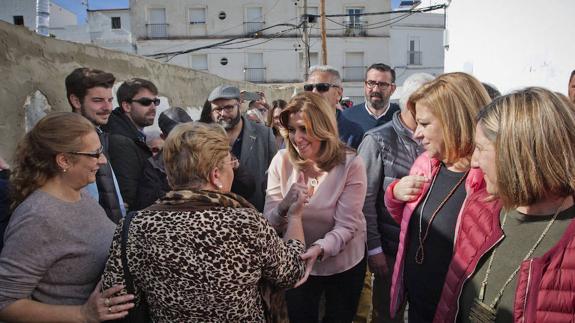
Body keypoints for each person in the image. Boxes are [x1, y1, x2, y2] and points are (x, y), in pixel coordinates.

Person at [102, 122, 307, 322]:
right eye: (229, 163)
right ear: (215, 175)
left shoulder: (135, 227)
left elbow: (116, 299)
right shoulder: (246, 223)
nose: (233, 171)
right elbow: (291, 273)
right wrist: (295, 217)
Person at [431, 87, 575, 322]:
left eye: (480, 148)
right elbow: (449, 301)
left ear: (517, 153)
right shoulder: (480, 208)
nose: (474, 162)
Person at [0, 112, 133, 322]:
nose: (103, 160)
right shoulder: (38, 217)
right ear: (64, 160)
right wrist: (81, 314)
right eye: (95, 154)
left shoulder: (82, 196)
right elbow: (5, 303)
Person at [383, 72, 495, 322]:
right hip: (418, 304)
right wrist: (394, 196)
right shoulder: (426, 164)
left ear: (452, 120)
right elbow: (416, 225)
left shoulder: (489, 180)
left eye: (424, 124)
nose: (416, 134)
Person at [264, 91, 368, 322]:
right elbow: (268, 223)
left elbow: (347, 225)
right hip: (297, 262)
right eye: (291, 130)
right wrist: (284, 206)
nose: (296, 138)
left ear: (324, 127)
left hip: (343, 263)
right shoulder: (281, 161)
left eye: (304, 129)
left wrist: (319, 249)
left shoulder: (350, 163)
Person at [358, 72, 434, 323]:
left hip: (426, 250)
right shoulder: (377, 139)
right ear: (411, 106)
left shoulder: (437, 138)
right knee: (387, 314)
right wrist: (375, 248)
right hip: (389, 251)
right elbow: (365, 200)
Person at [66, 67, 125, 223]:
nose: (108, 108)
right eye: (98, 101)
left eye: (110, 100)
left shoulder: (99, 134)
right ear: (76, 101)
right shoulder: (67, 141)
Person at [205, 85, 277, 211]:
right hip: (216, 216)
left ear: (240, 104)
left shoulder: (264, 135)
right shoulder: (205, 138)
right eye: (217, 109)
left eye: (228, 107)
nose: (222, 113)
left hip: (256, 214)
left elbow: (274, 179)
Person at [103, 78, 158, 211]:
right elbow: (130, 197)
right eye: (145, 102)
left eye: (155, 102)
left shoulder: (134, 134)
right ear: (127, 106)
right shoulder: (121, 141)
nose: (153, 107)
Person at [131, 107, 193, 211]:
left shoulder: (205, 156)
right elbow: (147, 206)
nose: (184, 140)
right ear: (164, 137)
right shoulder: (153, 167)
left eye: (188, 134)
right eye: (176, 136)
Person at [305, 65, 364, 149]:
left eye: (322, 87)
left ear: (339, 93)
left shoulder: (354, 133)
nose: (314, 92)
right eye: (309, 88)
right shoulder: (296, 128)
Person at [343, 63, 400, 132]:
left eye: (382, 85)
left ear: (392, 89)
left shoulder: (402, 117)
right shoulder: (347, 117)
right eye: (371, 83)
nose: (376, 89)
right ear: (365, 85)